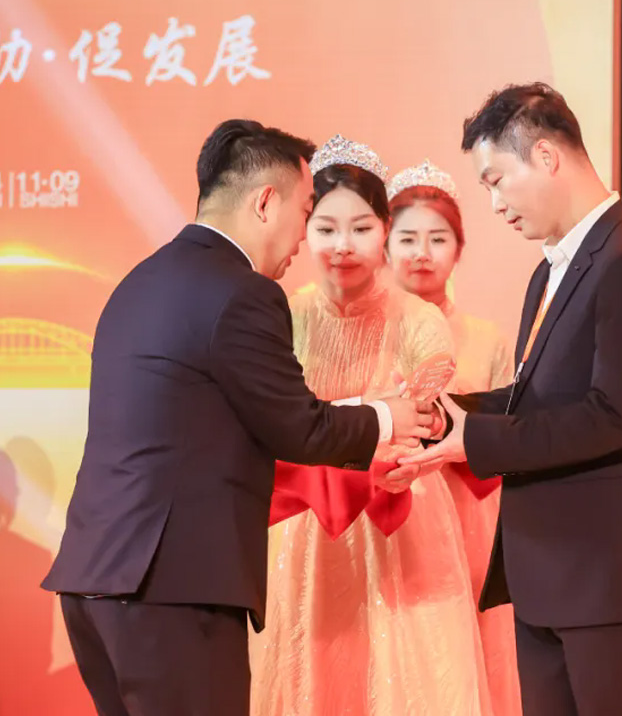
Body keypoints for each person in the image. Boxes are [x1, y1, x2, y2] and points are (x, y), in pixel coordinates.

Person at [41, 120, 433, 716]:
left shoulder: (139, 281)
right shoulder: (243, 292)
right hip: (170, 588)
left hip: (93, 582)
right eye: (307, 213)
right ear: (265, 202)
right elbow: (298, 427)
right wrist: (389, 417)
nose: (304, 238)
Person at [401, 83, 622, 716]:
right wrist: (448, 413)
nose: (495, 204)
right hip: (550, 580)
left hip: (610, 582)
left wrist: (476, 441)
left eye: (497, 181)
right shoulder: (551, 268)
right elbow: (537, 396)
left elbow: (615, 415)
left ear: (546, 156)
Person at [250, 136, 495, 716]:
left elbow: (423, 396)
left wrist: (376, 424)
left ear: (385, 228)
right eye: (325, 228)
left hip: (402, 522)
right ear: (304, 229)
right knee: (314, 673)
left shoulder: (417, 318)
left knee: (411, 678)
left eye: (360, 228)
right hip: (309, 527)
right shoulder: (283, 316)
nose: (342, 245)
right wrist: (371, 412)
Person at [386, 160, 522, 714]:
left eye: (437, 239)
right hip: (392, 513)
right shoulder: (370, 333)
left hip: (469, 512)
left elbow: (510, 434)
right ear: (384, 244)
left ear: (459, 249)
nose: (422, 253)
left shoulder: (487, 339)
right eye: (407, 238)